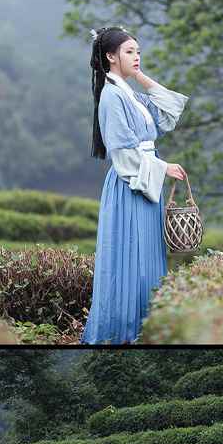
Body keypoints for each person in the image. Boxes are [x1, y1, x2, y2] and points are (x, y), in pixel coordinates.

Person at [81, 24, 187, 344]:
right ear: (111, 57)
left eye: (138, 51)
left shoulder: (131, 94)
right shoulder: (112, 97)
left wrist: (139, 76)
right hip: (131, 185)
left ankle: (146, 327)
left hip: (145, 184)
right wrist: (163, 167)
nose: (137, 57)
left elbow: (169, 112)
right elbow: (123, 156)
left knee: (148, 260)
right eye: (129, 52)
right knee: (130, 262)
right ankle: (122, 333)